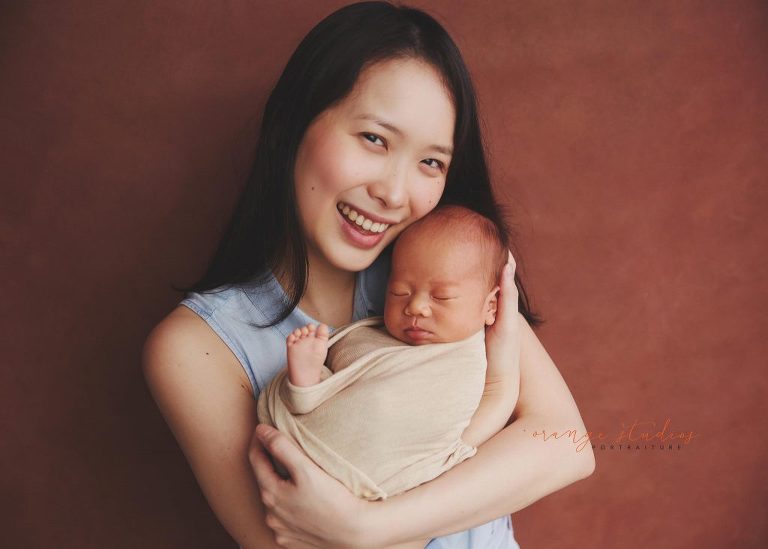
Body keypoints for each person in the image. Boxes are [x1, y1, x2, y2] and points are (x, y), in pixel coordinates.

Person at [142, 3, 595, 548]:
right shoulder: (198, 348)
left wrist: (367, 526)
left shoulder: (441, 275)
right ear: (293, 123)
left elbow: (566, 444)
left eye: (431, 163)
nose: (395, 194)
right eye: (375, 139)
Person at [258, 207, 519, 523]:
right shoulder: (371, 337)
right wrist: (313, 379)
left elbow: (490, 406)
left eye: (442, 297)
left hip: (376, 483)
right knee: (328, 381)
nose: (416, 307)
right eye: (400, 292)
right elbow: (348, 385)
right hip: (309, 448)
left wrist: (505, 339)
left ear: (491, 305)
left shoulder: (468, 358)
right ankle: (307, 383)